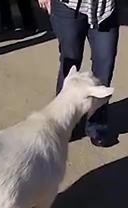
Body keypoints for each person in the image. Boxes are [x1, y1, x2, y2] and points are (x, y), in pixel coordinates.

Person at [38, 0, 119, 147]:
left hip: (105, 8)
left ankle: (96, 124)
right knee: (69, 64)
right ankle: (62, 123)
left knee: (104, 63)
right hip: (68, 7)